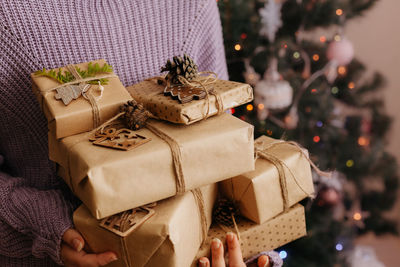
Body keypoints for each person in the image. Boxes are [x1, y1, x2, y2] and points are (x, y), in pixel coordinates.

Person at [0, 0, 266, 266]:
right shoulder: (10, 19)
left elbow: (223, 138)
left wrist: (248, 246)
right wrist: (42, 222)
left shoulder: (192, 6)